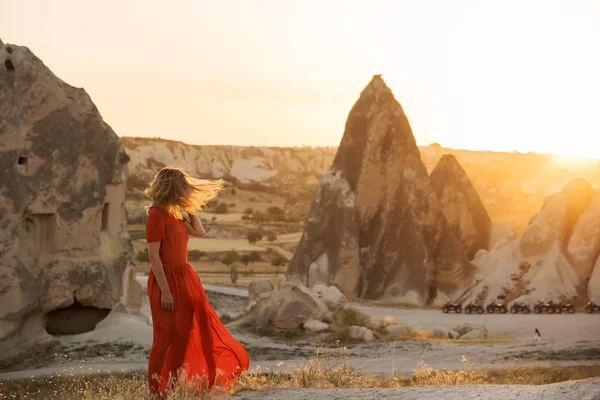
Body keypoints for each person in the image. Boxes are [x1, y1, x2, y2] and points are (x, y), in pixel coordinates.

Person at [145, 166, 249, 397]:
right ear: (172, 188)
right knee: (165, 337)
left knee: (184, 334)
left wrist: (188, 208)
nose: (185, 192)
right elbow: (153, 257)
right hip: (166, 281)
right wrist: (165, 291)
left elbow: (199, 231)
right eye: (182, 188)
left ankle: (170, 389)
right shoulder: (155, 215)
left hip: (185, 278)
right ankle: (155, 393)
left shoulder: (175, 214)